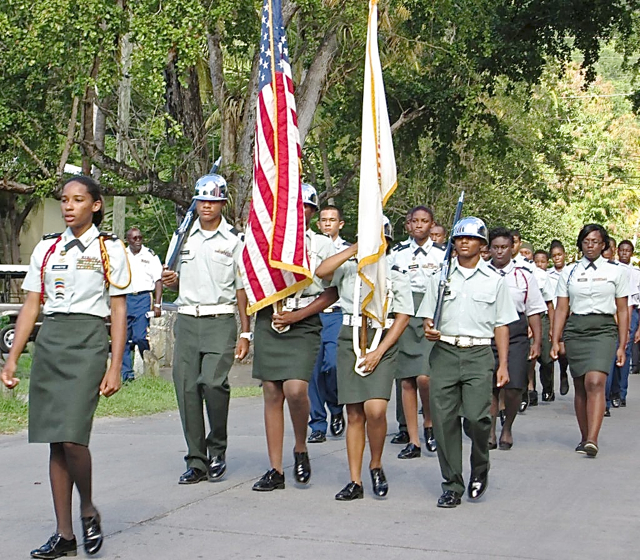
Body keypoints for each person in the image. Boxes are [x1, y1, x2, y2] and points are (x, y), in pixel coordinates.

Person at [1, 176, 131, 559]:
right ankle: (64, 535)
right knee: (56, 440)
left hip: (89, 340)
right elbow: (31, 306)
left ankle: (87, 507)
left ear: (95, 205)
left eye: (78, 200)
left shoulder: (110, 250)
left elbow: (119, 309)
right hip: (52, 342)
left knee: (74, 437)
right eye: (64, 200)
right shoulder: (47, 250)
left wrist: (115, 363)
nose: (68, 206)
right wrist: (11, 359)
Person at [418, 217, 517, 508]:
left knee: (477, 417)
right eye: (459, 238)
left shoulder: (495, 281)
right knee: (444, 421)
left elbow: (501, 325)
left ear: (482, 245)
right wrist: (429, 328)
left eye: (471, 238)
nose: (464, 242)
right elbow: (428, 316)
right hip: (446, 351)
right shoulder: (440, 276)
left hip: (478, 353)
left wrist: (503, 365)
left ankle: (480, 465)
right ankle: (452, 484)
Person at [162, 173, 250, 485]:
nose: (206, 206)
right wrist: (170, 281)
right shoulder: (182, 236)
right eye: (202, 200)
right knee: (186, 389)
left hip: (219, 319)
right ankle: (196, 460)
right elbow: (172, 277)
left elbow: (241, 289)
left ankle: (218, 449)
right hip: (187, 318)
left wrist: (245, 332)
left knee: (213, 383)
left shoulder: (234, 240)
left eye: (213, 200)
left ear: (222, 203)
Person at [249, 183, 338, 491]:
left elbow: (332, 291)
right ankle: (275, 469)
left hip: (305, 319)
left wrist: (298, 316)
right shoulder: (266, 241)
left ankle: (301, 446)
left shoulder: (322, 245)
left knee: (296, 389)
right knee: (272, 392)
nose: (299, 212)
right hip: (270, 318)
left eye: (305, 207)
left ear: (312, 212)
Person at [315, 217, 411, 500]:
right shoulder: (349, 267)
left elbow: (402, 316)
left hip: (382, 338)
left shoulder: (395, 270)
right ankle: (355, 480)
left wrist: (379, 352)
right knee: (354, 412)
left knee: (376, 409)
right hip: (350, 335)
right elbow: (322, 272)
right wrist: (355, 248)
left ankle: (376, 462)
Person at [551, 224, 629, 457]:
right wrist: (556, 339)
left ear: (603, 244)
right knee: (581, 385)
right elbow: (562, 307)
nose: (591, 245)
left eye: (595, 241)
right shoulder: (570, 272)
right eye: (586, 241)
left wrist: (622, 345)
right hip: (576, 330)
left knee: (595, 381)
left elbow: (623, 310)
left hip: (604, 329)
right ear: (581, 245)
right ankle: (584, 435)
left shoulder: (616, 272)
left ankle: (593, 439)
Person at [388, 206, 444, 459]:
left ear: (432, 225)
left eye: (425, 221)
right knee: (406, 379)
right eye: (414, 221)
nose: (419, 225)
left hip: (430, 314)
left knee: (425, 376)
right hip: (404, 314)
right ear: (408, 224)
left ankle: (430, 423)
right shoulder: (398, 253)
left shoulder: (444, 254)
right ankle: (413, 440)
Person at [486, 228, 546, 450]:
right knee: (491, 385)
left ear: (512, 248)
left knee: (513, 387)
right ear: (489, 248)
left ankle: (507, 426)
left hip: (516, 334)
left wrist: (537, 342)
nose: (500, 252)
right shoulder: (481, 273)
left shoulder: (524, 274)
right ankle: (490, 430)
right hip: (488, 333)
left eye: (504, 247)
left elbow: (534, 311)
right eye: (495, 247)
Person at [307, 205, 349, 443]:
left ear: (340, 224)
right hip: (312, 311)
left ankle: (335, 406)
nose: (327, 224)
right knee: (313, 371)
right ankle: (318, 423)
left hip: (336, 312)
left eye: (332, 220)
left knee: (331, 365)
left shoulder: (348, 249)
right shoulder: (308, 245)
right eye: (323, 220)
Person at [121, 227, 163, 382]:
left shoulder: (149, 255)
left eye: (140, 237)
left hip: (143, 298)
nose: (138, 241)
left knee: (139, 336)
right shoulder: (121, 255)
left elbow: (158, 280)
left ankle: (149, 365)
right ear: (128, 240)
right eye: (134, 238)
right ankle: (126, 375)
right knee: (123, 337)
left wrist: (157, 304)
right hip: (125, 298)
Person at [606, 240, 640, 412]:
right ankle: (610, 392)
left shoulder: (633, 272)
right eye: (622, 250)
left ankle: (620, 392)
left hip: (630, 311)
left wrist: (634, 326)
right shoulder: (610, 269)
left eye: (628, 251)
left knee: (624, 351)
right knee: (611, 353)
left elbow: (632, 300)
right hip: (611, 311)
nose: (624, 253)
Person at [547, 240, 570, 396]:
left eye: (559, 255)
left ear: (565, 255)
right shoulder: (547, 274)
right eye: (554, 256)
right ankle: (549, 387)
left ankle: (563, 372)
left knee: (563, 350)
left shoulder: (571, 272)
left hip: (567, 314)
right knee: (550, 351)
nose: (557, 258)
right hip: (551, 313)